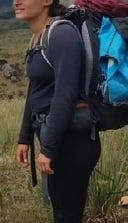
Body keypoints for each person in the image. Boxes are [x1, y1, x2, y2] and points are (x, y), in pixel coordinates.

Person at [13, 0, 101, 222]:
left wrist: (49, 149)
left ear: (47, 1)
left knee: (67, 214)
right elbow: (35, 91)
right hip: (58, 136)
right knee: (63, 209)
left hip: (74, 142)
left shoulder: (61, 35)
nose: (16, 1)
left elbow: (66, 94)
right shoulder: (38, 37)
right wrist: (25, 138)